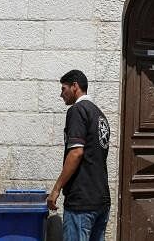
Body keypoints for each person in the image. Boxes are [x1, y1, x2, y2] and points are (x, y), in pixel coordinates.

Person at [48, 70, 111, 241]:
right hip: (101, 200)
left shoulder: (77, 110)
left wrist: (56, 189)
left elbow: (76, 152)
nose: (61, 95)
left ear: (75, 86)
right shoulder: (100, 115)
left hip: (81, 202)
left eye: (63, 89)